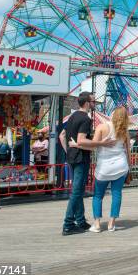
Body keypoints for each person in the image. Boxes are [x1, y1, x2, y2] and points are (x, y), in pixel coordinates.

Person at [59, 92, 116, 236]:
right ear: (86, 103)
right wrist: (101, 143)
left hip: (72, 157)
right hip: (81, 159)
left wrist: (69, 151)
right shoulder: (85, 118)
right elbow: (82, 140)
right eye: (93, 101)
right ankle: (68, 224)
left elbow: (62, 135)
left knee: (78, 190)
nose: (94, 104)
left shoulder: (72, 116)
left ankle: (81, 220)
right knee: (77, 191)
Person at [83, 106, 132, 232]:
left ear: (112, 114)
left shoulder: (102, 127)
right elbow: (128, 152)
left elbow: (93, 146)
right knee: (117, 194)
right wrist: (129, 168)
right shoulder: (124, 131)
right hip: (121, 166)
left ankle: (97, 224)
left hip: (104, 166)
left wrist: (77, 144)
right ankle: (111, 223)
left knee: (98, 195)